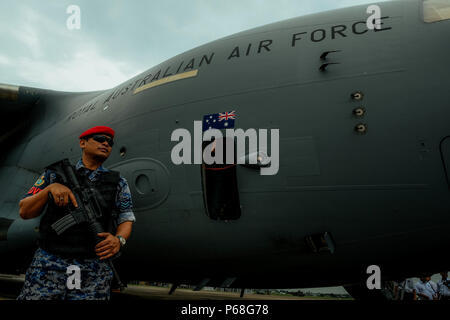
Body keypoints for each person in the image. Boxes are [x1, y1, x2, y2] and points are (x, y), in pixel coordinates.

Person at [17, 126, 135, 300]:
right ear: (82, 142)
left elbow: (126, 217)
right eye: (100, 139)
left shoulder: (118, 183)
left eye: (109, 142)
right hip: (50, 263)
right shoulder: (54, 175)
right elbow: (25, 211)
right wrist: (49, 189)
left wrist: (119, 240)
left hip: (93, 268)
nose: (105, 143)